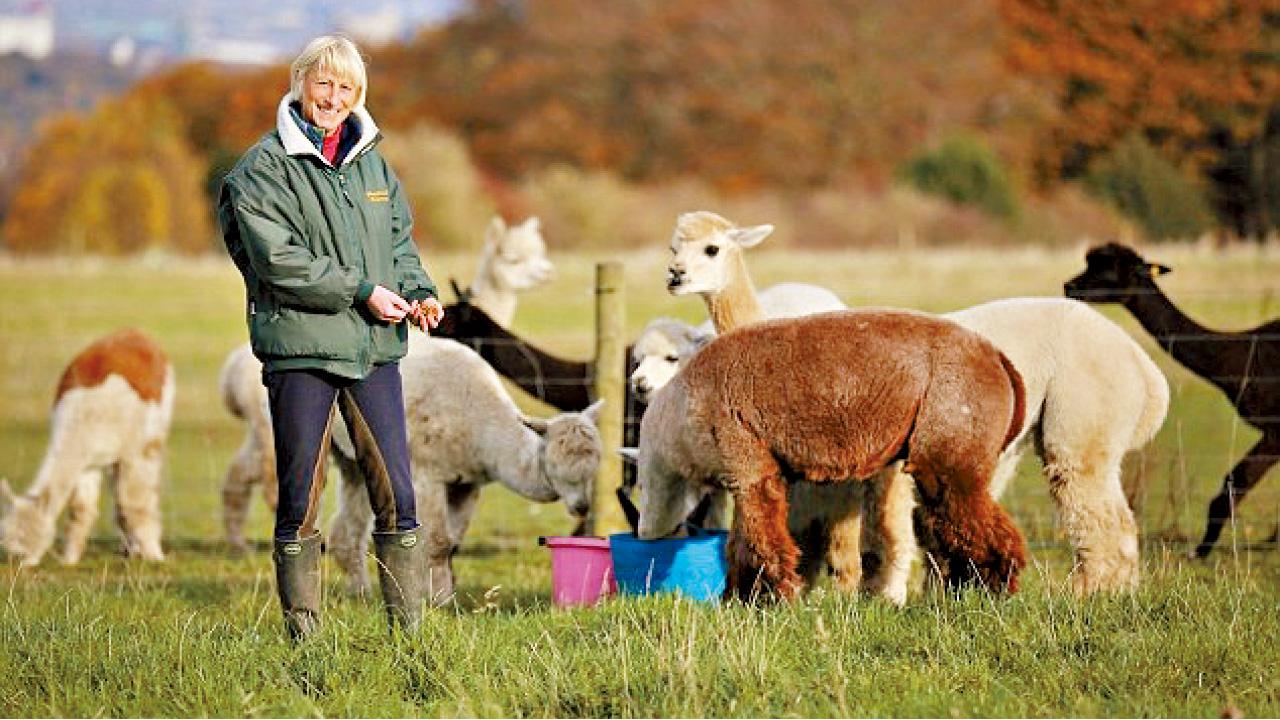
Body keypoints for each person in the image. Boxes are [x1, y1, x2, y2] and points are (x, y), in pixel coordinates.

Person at [218, 35, 443, 640]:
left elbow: (398, 243)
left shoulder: (373, 164)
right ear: (299, 83)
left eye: (346, 87)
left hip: (372, 350)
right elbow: (278, 261)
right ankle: (305, 639)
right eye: (323, 83)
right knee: (300, 497)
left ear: (358, 94)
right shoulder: (261, 169)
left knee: (398, 493)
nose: (333, 97)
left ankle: (410, 639)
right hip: (302, 352)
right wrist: (362, 290)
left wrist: (418, 291)